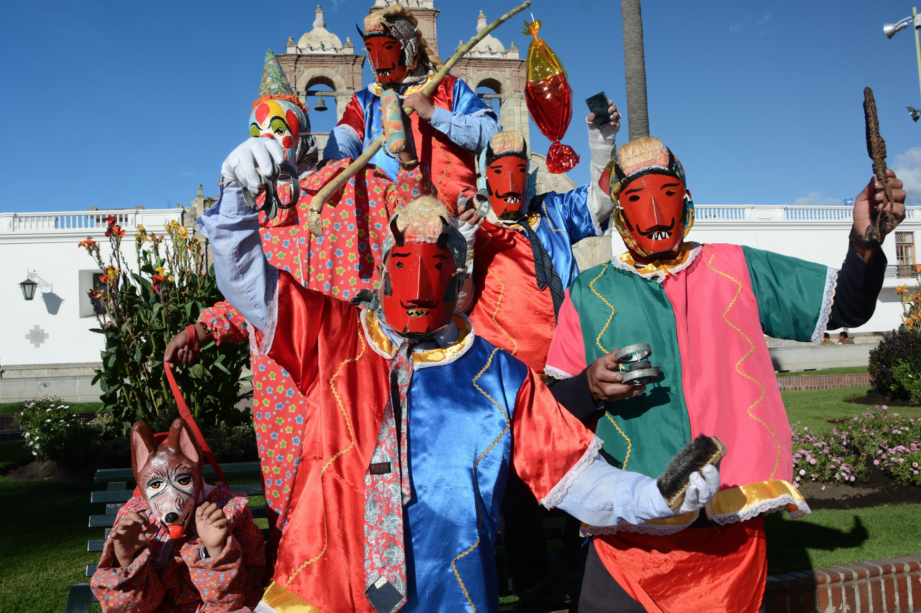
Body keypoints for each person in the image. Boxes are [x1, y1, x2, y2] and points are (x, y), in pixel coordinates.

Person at [196, 154, 720, 612]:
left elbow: (574, 476)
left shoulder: (500, 374)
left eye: (435, 264)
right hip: (320, 594)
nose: (419, 285)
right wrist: (236, 196)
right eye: (404, 264)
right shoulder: (332, 337)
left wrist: (655, 495)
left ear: (459, 274)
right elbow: (247, 282)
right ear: (383, 267)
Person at [544, 136, 905, 612]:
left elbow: (847, 306)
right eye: (636, 197)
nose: (654, 210)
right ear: (621, 207)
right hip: (627, 541)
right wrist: (588, 387)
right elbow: (551, 411)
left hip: (727, 534)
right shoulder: (589, 293)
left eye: (666, 192)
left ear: (685, 196)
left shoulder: (735, 267)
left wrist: (865, 240)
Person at [167, 53, 439, 548]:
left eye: (279, 124)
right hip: (280, 388)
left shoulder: (359, 185)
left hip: (354, 374)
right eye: (259, 127)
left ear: (301, 129)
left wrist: (406, 161)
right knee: (292, 505)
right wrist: (203, 327)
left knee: (365, 495)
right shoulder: (261, 212)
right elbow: (251, 294)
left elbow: (416, 224)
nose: (269, 136)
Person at [454, 102, 619, 604]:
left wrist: (603, 141)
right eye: (499, 171)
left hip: (567, 368)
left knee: (588, 452)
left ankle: (591, 559)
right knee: (521, 486)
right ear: (487, 174)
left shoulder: (550, 211)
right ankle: (534, 589)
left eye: (519, 170)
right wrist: (461, 236)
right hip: (507, 381)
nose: (510, 181)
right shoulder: (475, 227)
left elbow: (599, 204)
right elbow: (454, 295)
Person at [323, 4, 499, 210]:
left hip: (449, 214)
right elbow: (346, 134)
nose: (379, 60)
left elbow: (491, 136)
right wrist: (334, 160)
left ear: (408, 48)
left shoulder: (449, 88)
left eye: (387, 48)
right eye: (371, 50)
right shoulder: (365, 100)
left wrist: (434, 114)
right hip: (382, 215)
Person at [91, 419, 265, 613]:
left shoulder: (231, 512)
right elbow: (127, 608)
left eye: (183, 480)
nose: (171, 499)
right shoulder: (134, 518)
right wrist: (125, 560)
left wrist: (216, 552)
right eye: (155, 484)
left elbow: (234, 599)